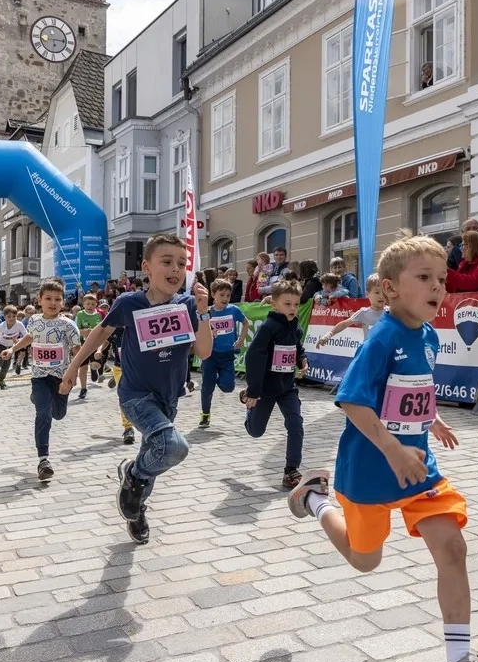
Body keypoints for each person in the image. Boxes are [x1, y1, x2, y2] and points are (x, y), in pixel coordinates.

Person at [286, 231, 478, 662]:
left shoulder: (431, 334)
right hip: (371, 470)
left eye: (441, 278)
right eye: (424, 278)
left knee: (453, 548)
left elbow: (413, 387)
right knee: (364, 559)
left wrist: (430, 419)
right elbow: (352, 401)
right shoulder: (382, 337)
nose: (438, 287)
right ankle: (314, 499)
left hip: (419, 472)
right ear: (391, 289)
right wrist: (393, 448)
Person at [60, 233, 212, 544]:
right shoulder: (130, 302)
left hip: (169, 397)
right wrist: (74, 366)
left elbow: (205, 351)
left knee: (155, 452)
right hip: (135, 395)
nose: (175, 269)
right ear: (147, 267)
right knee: (173, 447)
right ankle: (133, 474)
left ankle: (136, 507)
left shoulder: (187, 304)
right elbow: (100, 334)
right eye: (167, 262)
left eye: (181, 264)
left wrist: (204, 311)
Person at [3, 279, 82, 481]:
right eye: (48, 298)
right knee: (43, 414)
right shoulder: (35, 321)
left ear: (63, 302)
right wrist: (13, 349)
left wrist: (73, 376)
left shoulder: (68, 325)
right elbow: (30, 337)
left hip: (61, 378)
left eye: (57, 299)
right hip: (39, 377)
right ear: (40, 300)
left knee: (58, 414)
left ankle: (41, 400)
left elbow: (77, 352)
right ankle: (43, 460)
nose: (52, 302)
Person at [242, 278, 308, 489]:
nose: (293, 308)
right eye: (287, 304)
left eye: (296, 304)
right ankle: (247, 402)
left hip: (287, 387)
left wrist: (302, 359)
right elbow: (254, 356)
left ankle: (291, 471)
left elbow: (296, 347)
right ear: (275, 304)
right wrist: (254, 391)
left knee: (296, 423)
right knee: (256, 431)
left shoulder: (295, 327)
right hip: (265, 389)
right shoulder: (268, 328)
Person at [199, 278, 246, 429]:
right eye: (222, 295)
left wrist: (240, 340)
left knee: (228, 387)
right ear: (213, 294)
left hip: (227, 356)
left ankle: (218, 379)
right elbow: (199, 328)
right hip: (210, 355)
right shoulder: (208, 312)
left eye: (228, 295)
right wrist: (209, 332)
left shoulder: (233, 310)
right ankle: (205, 415)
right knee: (207, 387)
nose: (225, 298)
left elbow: (246, 323)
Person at [317, 273, 385, 348]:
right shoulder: (363, 313)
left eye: (384, 292)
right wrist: (327, 336)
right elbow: (344, 324)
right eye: (377, 292)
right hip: (370, 353)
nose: (381, 296)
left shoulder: (391, 312)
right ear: (367, 294)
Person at [0, 305, 26, 389]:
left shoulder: (19, 324)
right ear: (4, 317)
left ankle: (1, 380)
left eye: (14, 316)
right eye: (9, 316)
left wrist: (19, 340)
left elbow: (26, 336)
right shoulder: (2, 325)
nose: (11, 318)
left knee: (6, 365)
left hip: (9, 347)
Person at [75, 294, 103, 397]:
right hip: (83, 344)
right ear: (83, 304)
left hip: (95, 344)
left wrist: (99, 348)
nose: (90, 306)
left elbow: (102, 331)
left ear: (96, 304)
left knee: (96, 364)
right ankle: (83, 388)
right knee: (83, 368)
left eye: (93, 304)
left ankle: (94, 369)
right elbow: (76, 330)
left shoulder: (99, 315)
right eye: (88, 304)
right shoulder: (80, 315)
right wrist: (85, 332)